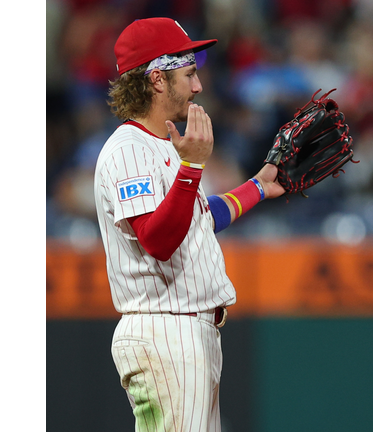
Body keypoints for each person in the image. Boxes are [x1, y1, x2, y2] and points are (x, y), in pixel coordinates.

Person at [93, 17, 284, 431]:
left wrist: (257, 187)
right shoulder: (127, 150)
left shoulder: (161, 145)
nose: (198, 86)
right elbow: (157, 239)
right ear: (157, 79)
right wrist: (192, 166)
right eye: (190, 72)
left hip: (186, 334)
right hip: (165, 333)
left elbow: (195, 220)